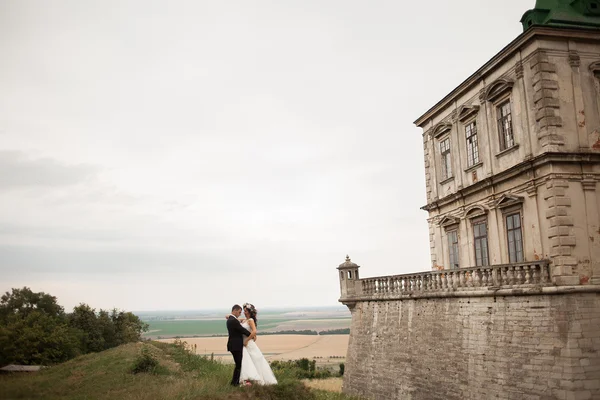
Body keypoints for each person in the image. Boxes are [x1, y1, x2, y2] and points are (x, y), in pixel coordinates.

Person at [238, 303, 278, 385]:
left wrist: (247, 340)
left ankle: (258, 380)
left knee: (255, 361)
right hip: (244, 344)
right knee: (247, 361)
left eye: (245, 311)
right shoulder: (244, 320)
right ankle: (248, 379)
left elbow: (254, 331)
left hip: (248, 343)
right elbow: (230, 317)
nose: (244, 312)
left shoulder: (250, 320)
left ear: (249, 312)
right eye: (244, 311)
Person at [226, 304, 252, 386]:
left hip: (233, 345)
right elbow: (242, 330)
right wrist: (251, 335)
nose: (240, 314)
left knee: (238, 364)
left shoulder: (231, 319)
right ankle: (235, 383)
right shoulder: (233, 321)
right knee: (239, 364)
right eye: (239, 312)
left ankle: (235, 382)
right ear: (235, 310)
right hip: (236, 345)